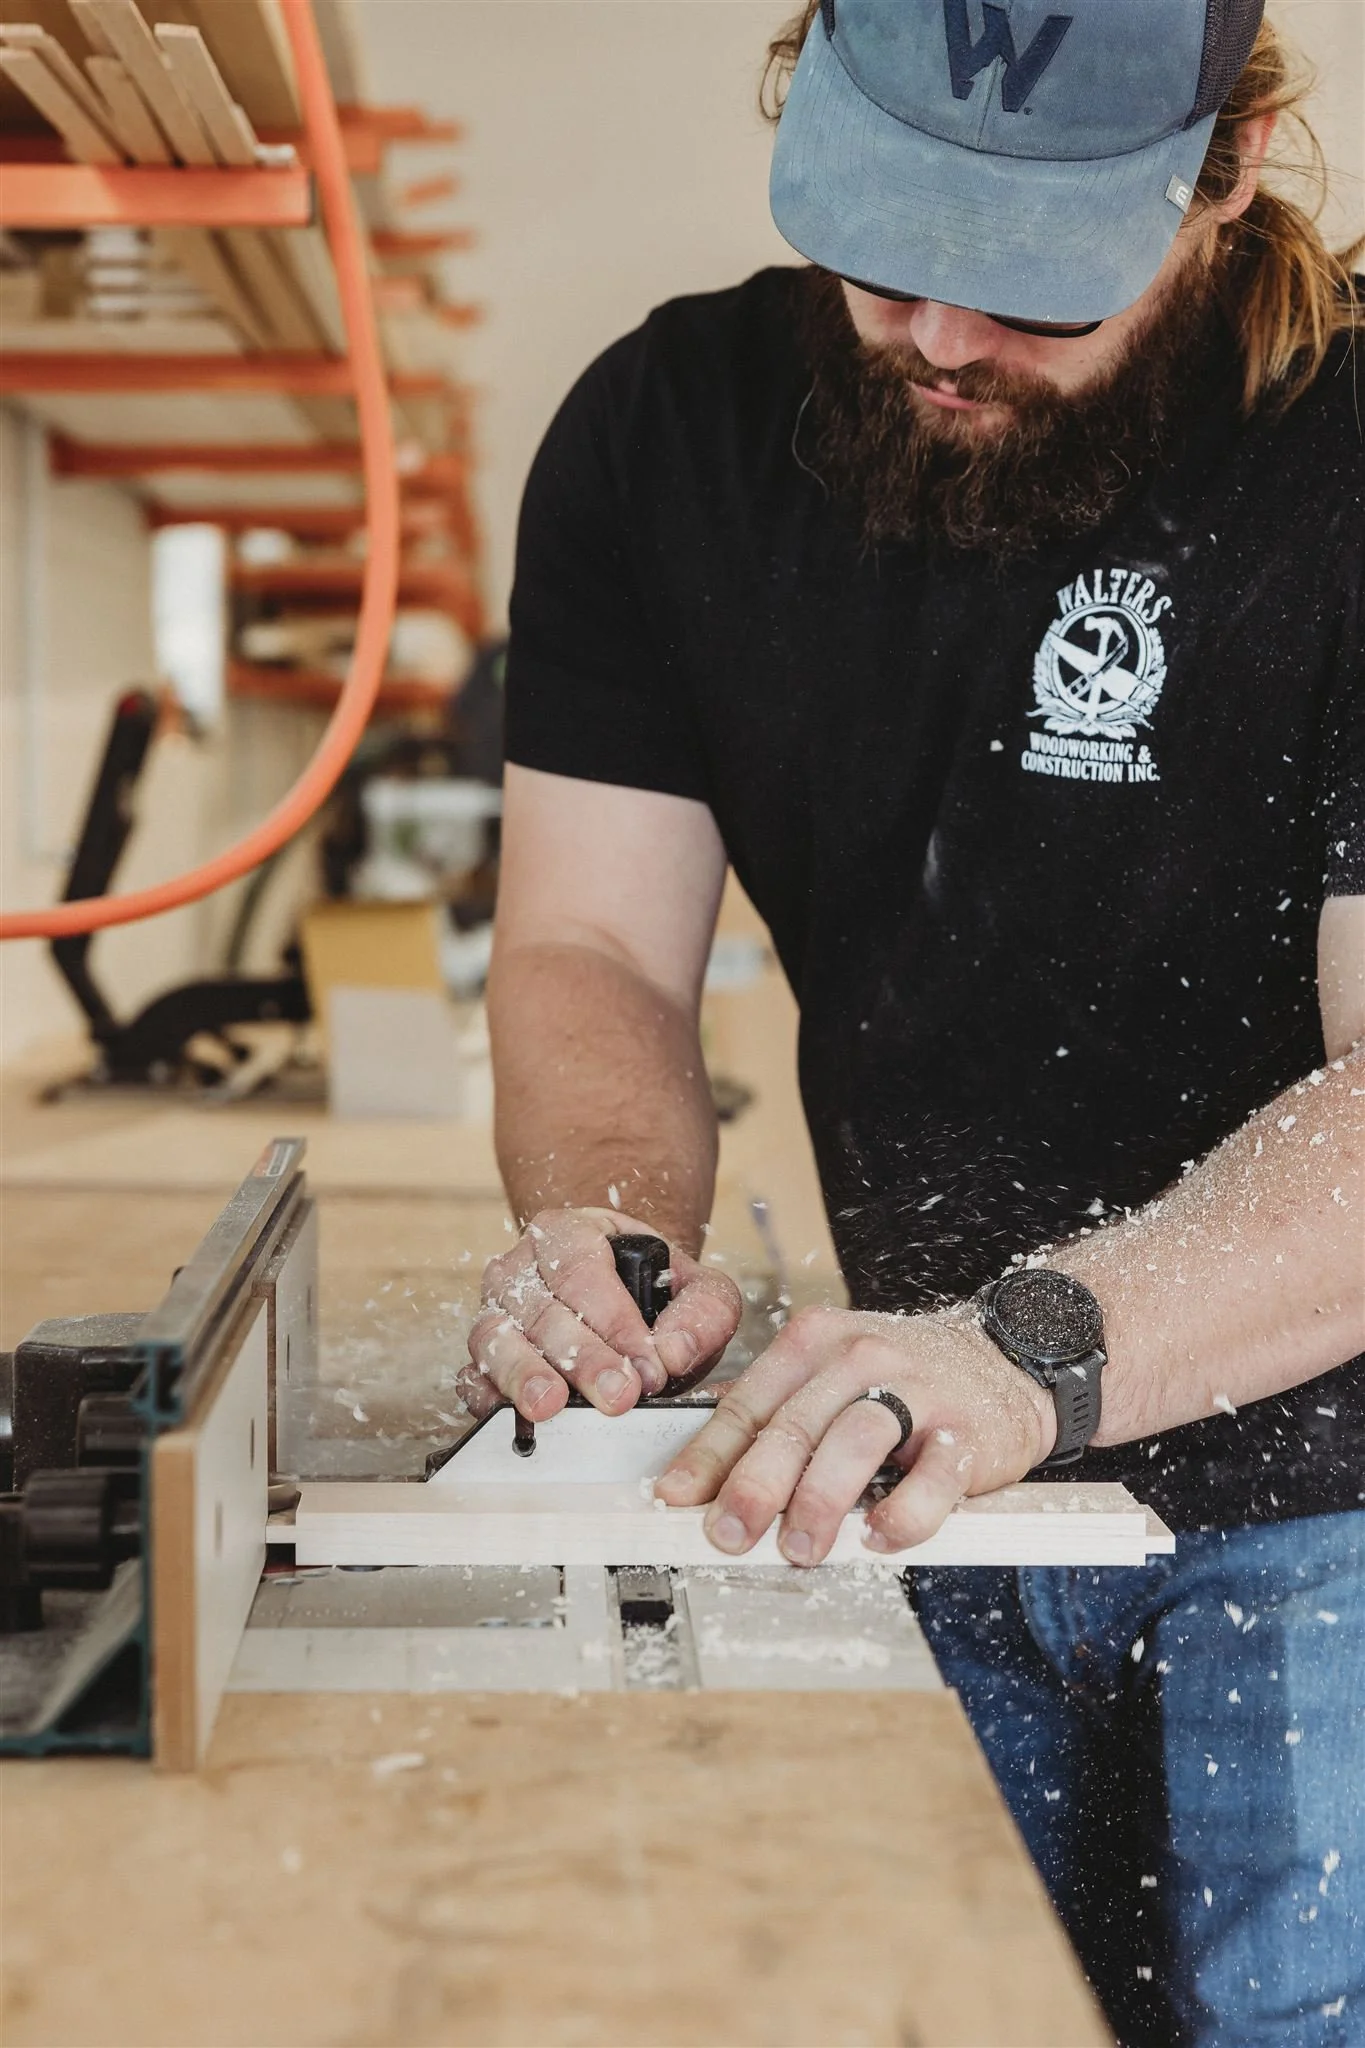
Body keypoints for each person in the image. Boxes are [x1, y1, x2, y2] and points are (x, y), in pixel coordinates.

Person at [461, 1, 1364, 2039]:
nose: (943, 333)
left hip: (1329, 1506)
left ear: (1219, 172)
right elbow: (595, 947)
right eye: (887, 247)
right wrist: (611, 1240)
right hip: (925, 1467)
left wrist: (1031, 1350)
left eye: (1029, 279)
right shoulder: (663, 435)